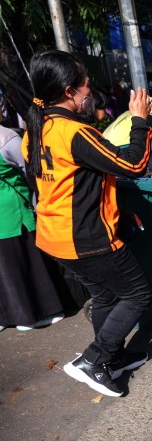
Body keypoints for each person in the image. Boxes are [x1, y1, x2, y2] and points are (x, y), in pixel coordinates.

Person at [22, 50, 152, 397]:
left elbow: (77, 185)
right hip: (86, 238)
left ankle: (113, 357)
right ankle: (94, 360)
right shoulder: (75, 132)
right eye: (86, 86)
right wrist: (140, 120)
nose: (89, 92)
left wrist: (119, 211)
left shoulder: (35, 130)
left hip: (54, 236)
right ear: (69, 91)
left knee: (106, 294)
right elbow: (132, 164)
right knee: (138, 294)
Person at [0, 125, 64, 332]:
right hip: (9, 214)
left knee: (22, 264)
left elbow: (34, 169)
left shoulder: (7, 138)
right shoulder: (7, 138)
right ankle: (10, 315)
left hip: (13, 214)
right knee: (9, 268)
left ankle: (41, 312)